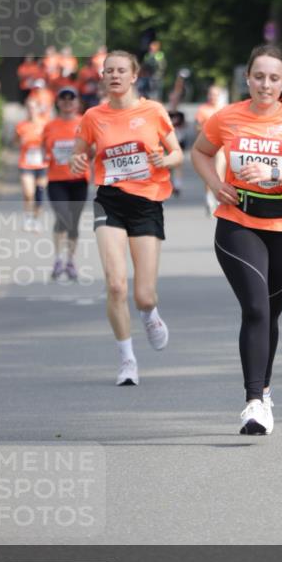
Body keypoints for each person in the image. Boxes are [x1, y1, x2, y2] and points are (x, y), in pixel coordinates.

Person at [191, 44, 282, 435]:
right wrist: (216, 184)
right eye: (258, 77)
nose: (265, 84)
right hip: (239, 222)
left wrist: (277, 170)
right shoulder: (228, 116)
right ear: (247, 78)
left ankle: (264, 393)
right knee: (254, 309)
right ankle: (253, 403)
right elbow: (200, 152)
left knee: (270, 315)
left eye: (273, 78)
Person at [70, 50, 183, 386]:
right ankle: (127, 360)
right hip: (110, 202)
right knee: (116, 284)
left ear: (134, 76)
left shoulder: (153, 111)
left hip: (147, 202)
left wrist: (164, 161)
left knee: (143, 295)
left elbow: (177, 153)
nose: (114, 76)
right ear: (103, 78)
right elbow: (79, 155)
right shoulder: (93, 116)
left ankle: (149, 314)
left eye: (121, 70)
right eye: (109, 71)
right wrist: (77, 163)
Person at [42, 86, 89, 281]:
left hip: (79, 179)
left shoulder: (85, 123)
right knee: (62, 217)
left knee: (74, 223)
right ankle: (58, 259)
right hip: (57, 180)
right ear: (58, 102)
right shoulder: (50, 126)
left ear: (78, 102)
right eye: (64, 98)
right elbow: (43, 150)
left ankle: (70, 260)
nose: (68, 102)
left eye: (72, 98)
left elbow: (93, 148)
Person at [15, 98, 49, 231]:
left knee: (39, 193)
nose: (31, 110)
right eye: (29, 107)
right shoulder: (21, 126)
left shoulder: (45, 125)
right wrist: (21, 142)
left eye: (34, 107)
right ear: (26, 109)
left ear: (38, 109)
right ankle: (28, 217)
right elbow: (15, 142)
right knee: (29, 193)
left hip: (42, 164)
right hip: (26, 164)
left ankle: (36, 219)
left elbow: (51, 142)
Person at [195, 84, 227, 215]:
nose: (213, 97)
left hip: (222, 147)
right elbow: (197, 128)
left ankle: (218, 199)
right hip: (208, 146)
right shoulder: (203, 110)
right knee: (209, 175)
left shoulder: (224, 109)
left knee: (219, 173)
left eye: (216, 94)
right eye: (211, 94)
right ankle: (209, 198)